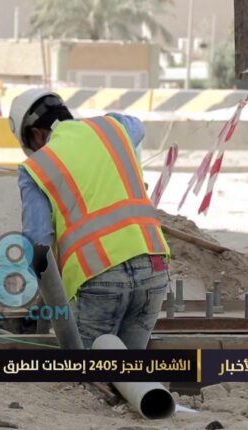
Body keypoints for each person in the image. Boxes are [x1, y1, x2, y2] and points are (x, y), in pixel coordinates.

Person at [9, 88, 170, 350]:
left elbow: (38, 244)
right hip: (154, 265)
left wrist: (44, 298)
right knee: (132, 371)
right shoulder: (112, 128)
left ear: (36, 135)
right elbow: (138, 126)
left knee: (87, 373)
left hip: (97, 276)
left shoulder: (36, 167)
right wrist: (105, 121)